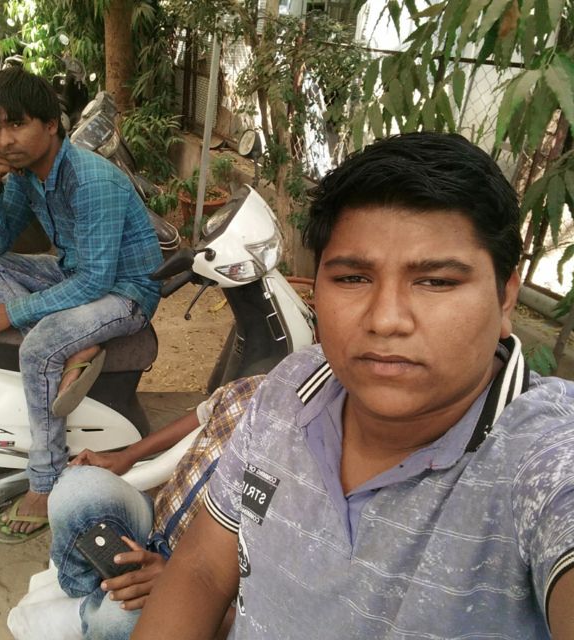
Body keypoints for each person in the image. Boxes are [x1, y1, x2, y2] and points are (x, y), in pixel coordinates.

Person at [130, 132, 574, 640]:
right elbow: (203, 571)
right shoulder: (287, 390)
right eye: (353, 278)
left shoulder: (543, 460)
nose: (385, 320)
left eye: (436, 281)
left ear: (506, 297)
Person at [0, 68, 163, 542]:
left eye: (16, 124)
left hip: (126, 293)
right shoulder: (26, 175)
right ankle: (75, 345)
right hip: (74, 273)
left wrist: (10, 312)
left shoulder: (91, 180)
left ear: (51, 125)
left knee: (39, 345)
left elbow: (96, 280)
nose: (4, 140)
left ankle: (44, 483)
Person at [44, 376, 263, 640]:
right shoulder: (255, 387)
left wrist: (178, 586)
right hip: (155, 524)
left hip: (202, 583)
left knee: (118, 619)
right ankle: (84, 595)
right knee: (75, 488)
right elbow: (199, 416)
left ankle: (89, 615)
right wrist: (127, 455)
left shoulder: (305, 481)